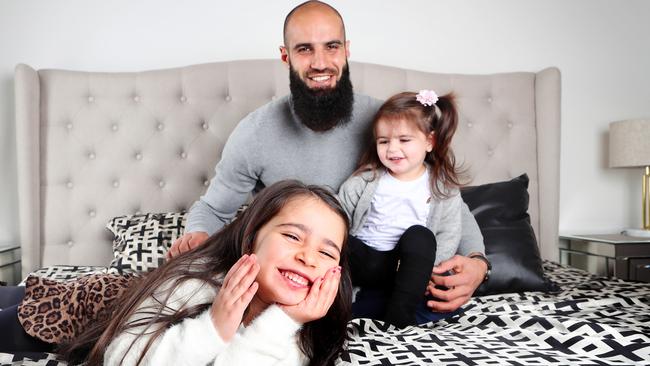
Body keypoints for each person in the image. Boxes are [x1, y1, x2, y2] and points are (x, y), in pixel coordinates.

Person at [168, 0, 489, 313]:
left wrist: (477, 262)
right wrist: (198, 236)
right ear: (286, 56)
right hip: (312, 277)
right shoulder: (255, 133)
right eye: (305, 49)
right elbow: (213, 208)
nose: (320, 62)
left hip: (395, 270)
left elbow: (444, 200)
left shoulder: (387, 125)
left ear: (346, 50)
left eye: (331, 47)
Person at [2, 181, 352, 366]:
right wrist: (213, 326)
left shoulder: (303, 333)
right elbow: (121, 359)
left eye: (326, 252)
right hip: (84, 306)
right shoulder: (197, 279)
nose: (308, 257)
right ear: (252, 239)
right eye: (292, 236)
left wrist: (281, 322)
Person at [338, 90, 467, 327]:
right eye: (384, 141)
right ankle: (358, 304)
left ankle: (399, 318)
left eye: (404, 140)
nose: (392, 149)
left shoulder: (443, 189)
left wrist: (429, 270)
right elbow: (338, 220)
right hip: (367, 266)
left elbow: (449, 234)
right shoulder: (363, 182)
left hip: (408, 272)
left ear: (430, 141)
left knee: (422, 237)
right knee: (340, 240)